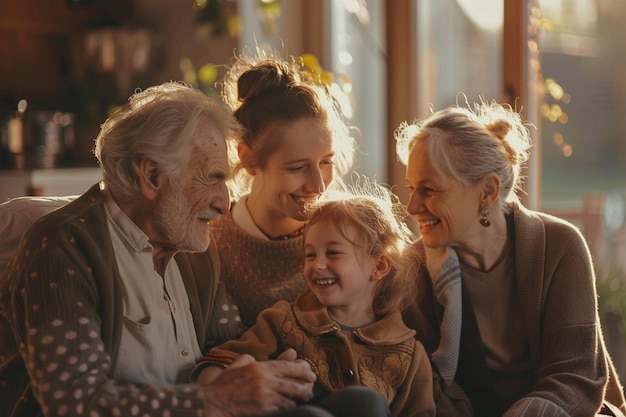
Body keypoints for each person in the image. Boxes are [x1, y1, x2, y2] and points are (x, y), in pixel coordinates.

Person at [0, 81, 323, 417]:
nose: (225, 203)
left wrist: (270, 368)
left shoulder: (192, 245)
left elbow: (228, 344)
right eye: (213, 178)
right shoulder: (61, 246)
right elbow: (75, 403)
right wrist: (212, 401)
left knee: (356, 403)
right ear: (151, 176)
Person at [395, 99, 626, 416]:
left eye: (429, 189)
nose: (412, 206)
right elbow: (426, 383)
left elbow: (574, 376)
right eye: (410, 188)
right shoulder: (414, 267)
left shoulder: (560, 246)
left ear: (487, 191)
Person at [194, 183, 450, 417]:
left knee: (366, 404)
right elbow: (221, 362)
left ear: (379, 266)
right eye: (310, 255)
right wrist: (213, 393)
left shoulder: (408, 352)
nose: (318, 265)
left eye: (333, 253)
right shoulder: (283, 321)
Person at [207, 49, 357, 341]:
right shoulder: (209, 244)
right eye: (297, 167)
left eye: (326, 162)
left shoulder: (351, 233)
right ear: (248, 158)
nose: (319, 185)